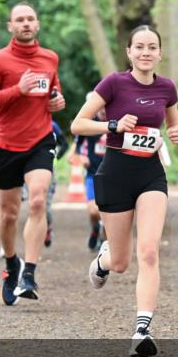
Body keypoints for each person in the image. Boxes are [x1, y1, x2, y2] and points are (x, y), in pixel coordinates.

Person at [71, 25, 178, 357]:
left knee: (149, 251)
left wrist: (177, 134)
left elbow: (173, 124)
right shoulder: (114, 83)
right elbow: (78, 123)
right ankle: (104, 261)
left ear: (160, 53)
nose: (146, 52)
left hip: (151, 173)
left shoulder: (167, 88)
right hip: (116, 172)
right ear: (129, 52)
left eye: (152, 47)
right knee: (121, 262)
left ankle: (142, 329)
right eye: (139, 47)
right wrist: (112, 125)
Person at [0, 2, 65, 306]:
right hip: (7, 144)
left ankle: (29, 272)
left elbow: (53, 91)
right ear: (10, 26)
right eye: (19, 20)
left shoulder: (50, 58)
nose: (25, 24)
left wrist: (56, 101)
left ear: (37, 24)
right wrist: (17, 90)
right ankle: (12, 264)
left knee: (38, 199)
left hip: (40, 140)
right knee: (9, 214)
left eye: (30, 19)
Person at [72, 92, 107, 251]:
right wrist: (80, 156)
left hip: (113, 174)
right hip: (93, 173)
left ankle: (104, 245)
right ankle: (95, 228)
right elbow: (78, 143)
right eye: (100, 108)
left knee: (109, 215)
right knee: (94, 211)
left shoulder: (118, 122)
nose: (104, 111)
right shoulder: (90, 123)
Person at [44, 119, 70, 248]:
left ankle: (47, 229)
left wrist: (55, 156)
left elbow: (65, 144)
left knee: (44, 205)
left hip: (48, 169)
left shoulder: (52, 125)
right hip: (25, 170)